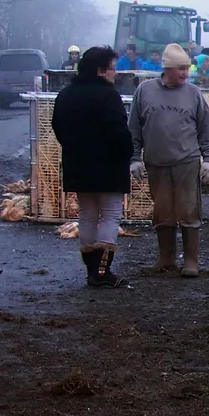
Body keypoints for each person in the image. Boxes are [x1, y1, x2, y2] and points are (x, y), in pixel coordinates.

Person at [129, 43, 209, 278]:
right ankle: (166, 257)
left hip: (186, 161)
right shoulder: (145, 91)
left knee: (189, 210)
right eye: (179, 69)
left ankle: (191, 261)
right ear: (167, 68)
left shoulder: (193, 94)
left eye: (186, 68)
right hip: (156, 162)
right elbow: (134, 129)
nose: (184, 73)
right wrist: (134, 158)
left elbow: (205, 128)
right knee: (163, 211)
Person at [50, 46, 132, 288]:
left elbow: (57, 127)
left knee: (87, 216)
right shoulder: (108, 96)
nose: (114, 74)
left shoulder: (66, 94)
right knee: (109, 215)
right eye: (112, 69)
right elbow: (119, 132)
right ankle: (102, 271)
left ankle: (91, 271)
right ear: (100, 70)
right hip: (109, 168)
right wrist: (126, 154)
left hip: (78, 165)